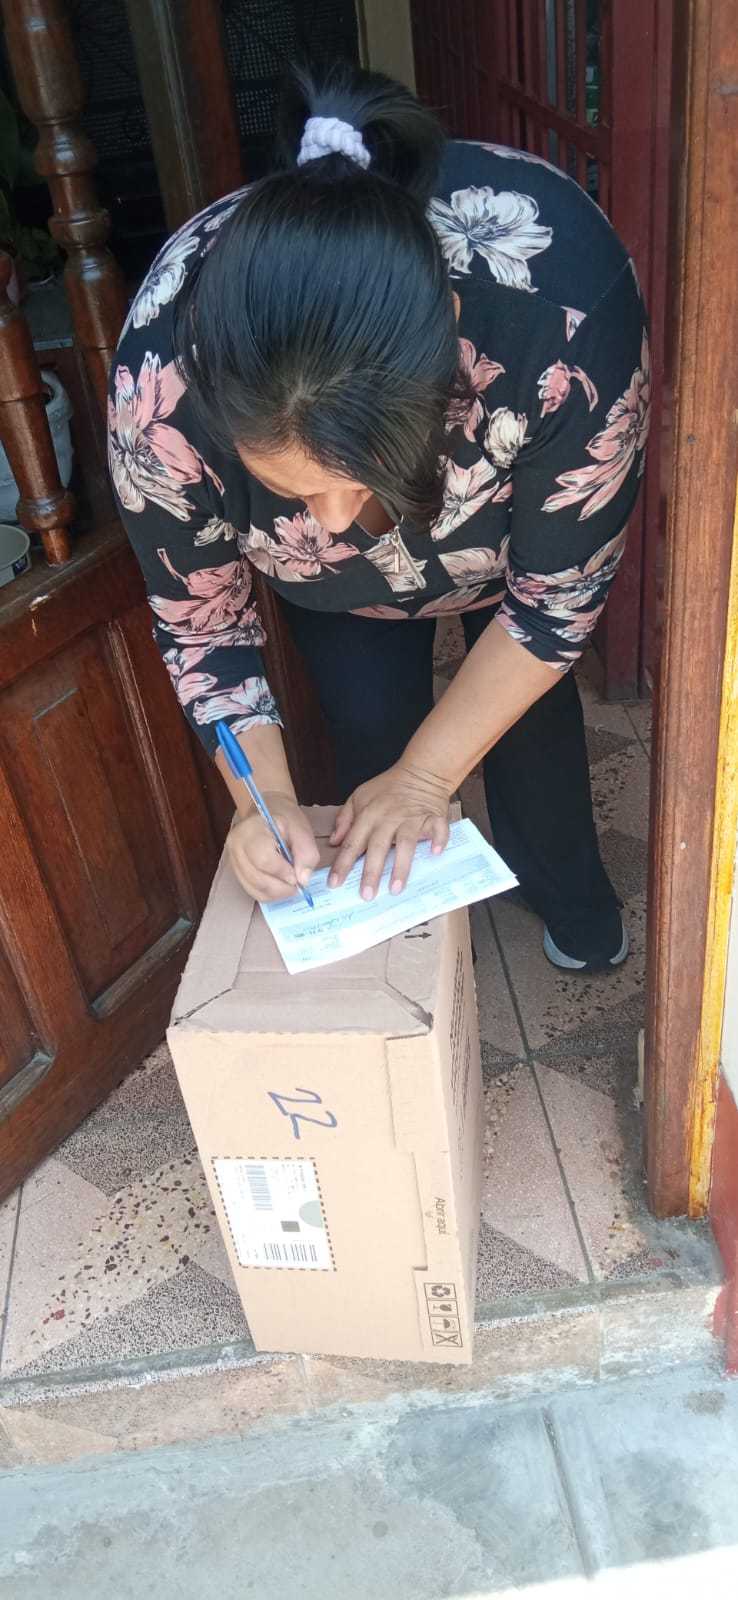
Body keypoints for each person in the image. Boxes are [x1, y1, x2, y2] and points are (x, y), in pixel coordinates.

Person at [108, 62, 650, 973]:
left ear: (450, 363)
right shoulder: (157, 391)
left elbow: (553, 605)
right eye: (291, 489)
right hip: (334, 599)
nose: (333, 521)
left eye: (360, 481)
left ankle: (571, 897)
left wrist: (432, 775)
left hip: (505, 547)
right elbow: (204, 630)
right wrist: (262, 802)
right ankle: (417, 952)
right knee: (371, 734)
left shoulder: (561, 315)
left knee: (529, 736)